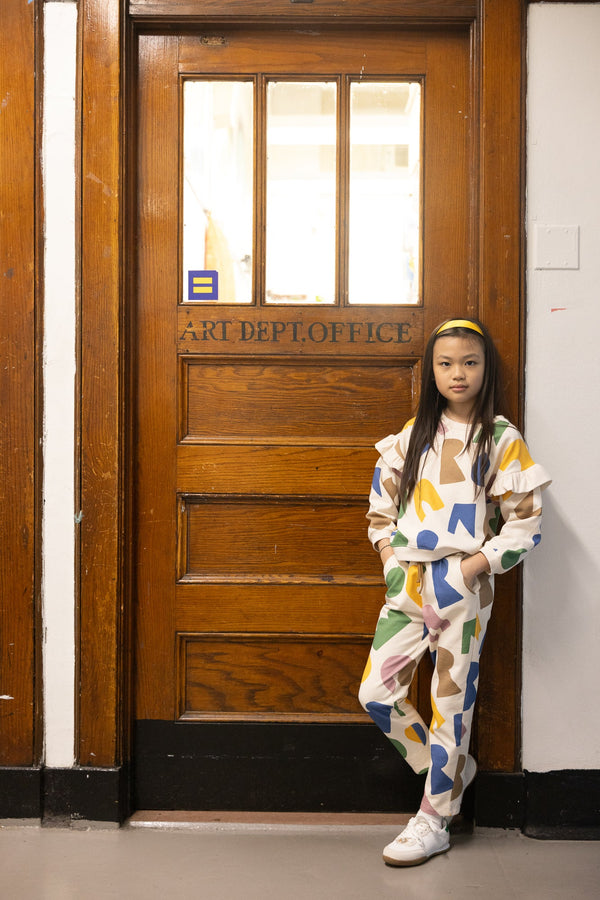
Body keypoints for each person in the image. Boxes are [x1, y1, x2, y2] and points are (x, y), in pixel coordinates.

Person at [358, 317, 551, 867]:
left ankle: (435, 818)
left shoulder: (501, 438)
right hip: (407, 585)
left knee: (451, 706)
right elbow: (379, 514)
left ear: (485, 368)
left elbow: (525, 523)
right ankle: (450, 772)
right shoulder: (413, 434)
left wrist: (471, 569)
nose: (458, 373)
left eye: (469, 362)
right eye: (445, 364)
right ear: (431, 371)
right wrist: (392, 561)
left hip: (460, 587)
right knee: (377, 693)